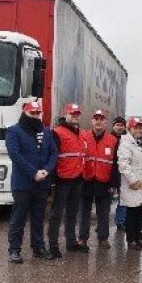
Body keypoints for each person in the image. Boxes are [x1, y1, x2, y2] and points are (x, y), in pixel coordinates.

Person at [6, 101, 58, 263]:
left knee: (38, 217)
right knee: (18, 218)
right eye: (32, 113)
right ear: (24, 112)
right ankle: (14, 250)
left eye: (38, 113)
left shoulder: (46, 131)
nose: (35, 116)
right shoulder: (14, 131)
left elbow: (54, 153)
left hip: (42, 183)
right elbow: (15, 155)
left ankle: (38, 247)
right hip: (23, 183)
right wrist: (33, 172)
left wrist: (46, 171)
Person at [48, 103, 87, 257]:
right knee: (56, 214)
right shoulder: (57, 133)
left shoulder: (81, 133)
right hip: (62, 180)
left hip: (77, 180)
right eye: (72, 113)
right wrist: (52, 180)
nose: (75, 116)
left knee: (72, 213)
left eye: (77, 113)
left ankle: (71, 243)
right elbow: (53, 157)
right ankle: (53, 246)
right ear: (66, 115)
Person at [80, 109, 120, 250]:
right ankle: (83, 238)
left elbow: (116, 163)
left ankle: (103, 238)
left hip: (104, 181)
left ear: (105, 122)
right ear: (92, 121)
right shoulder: (83, 137)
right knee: (84, 211)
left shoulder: (113, 140)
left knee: (103, 212)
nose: (98, 121)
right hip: (86, 179)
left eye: (101, 119)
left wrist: (114, 183)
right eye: (96, 119)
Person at [117, 117, 142, 250]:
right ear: (129, 129)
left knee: (139, 212)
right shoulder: (126, 143)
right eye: (135, 127)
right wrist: (133, 180)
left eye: (140, 127)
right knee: (131, 213)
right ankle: (131, 239)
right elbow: (123, 164)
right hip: (132, 184)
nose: (138, 130)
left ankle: (139, 238)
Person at [111, 116, 128, 231]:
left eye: (121, 125)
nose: (119, 127)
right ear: (113, 126)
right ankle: (102, 222)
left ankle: (121, 221)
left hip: (123, 173)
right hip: (110, 172)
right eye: (117, 125)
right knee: (106, 200)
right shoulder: (108, 138)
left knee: (123, 199)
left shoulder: (128, 139)